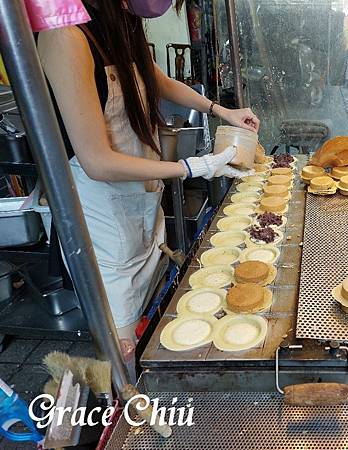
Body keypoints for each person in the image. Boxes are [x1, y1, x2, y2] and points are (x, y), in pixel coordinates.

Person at [36, 0, 260, 341]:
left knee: (154, 320)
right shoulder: (65, 36)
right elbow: (96, 161)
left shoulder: (123, 21)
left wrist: (219, 110)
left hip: (139, 202)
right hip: (102, 221)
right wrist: (191, 167)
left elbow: (157, 81)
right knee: (121, 341)